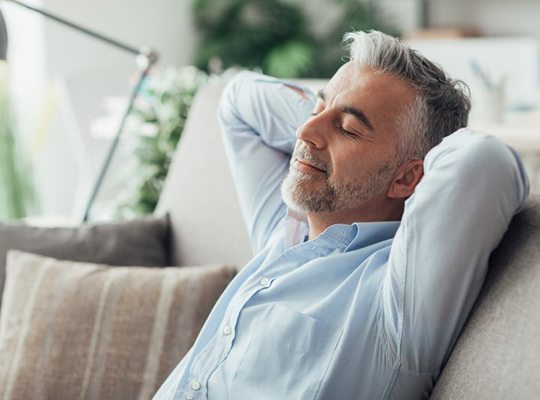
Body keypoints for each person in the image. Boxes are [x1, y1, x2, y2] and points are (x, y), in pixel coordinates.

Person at [153, 30, 528, 400]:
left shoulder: (397, 302)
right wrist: (335, 117)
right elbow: (239, 100)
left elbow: (483, 161)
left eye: (348, 129)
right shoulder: (285, 232)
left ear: (407, 177)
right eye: (316, 109)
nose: (303, 131)